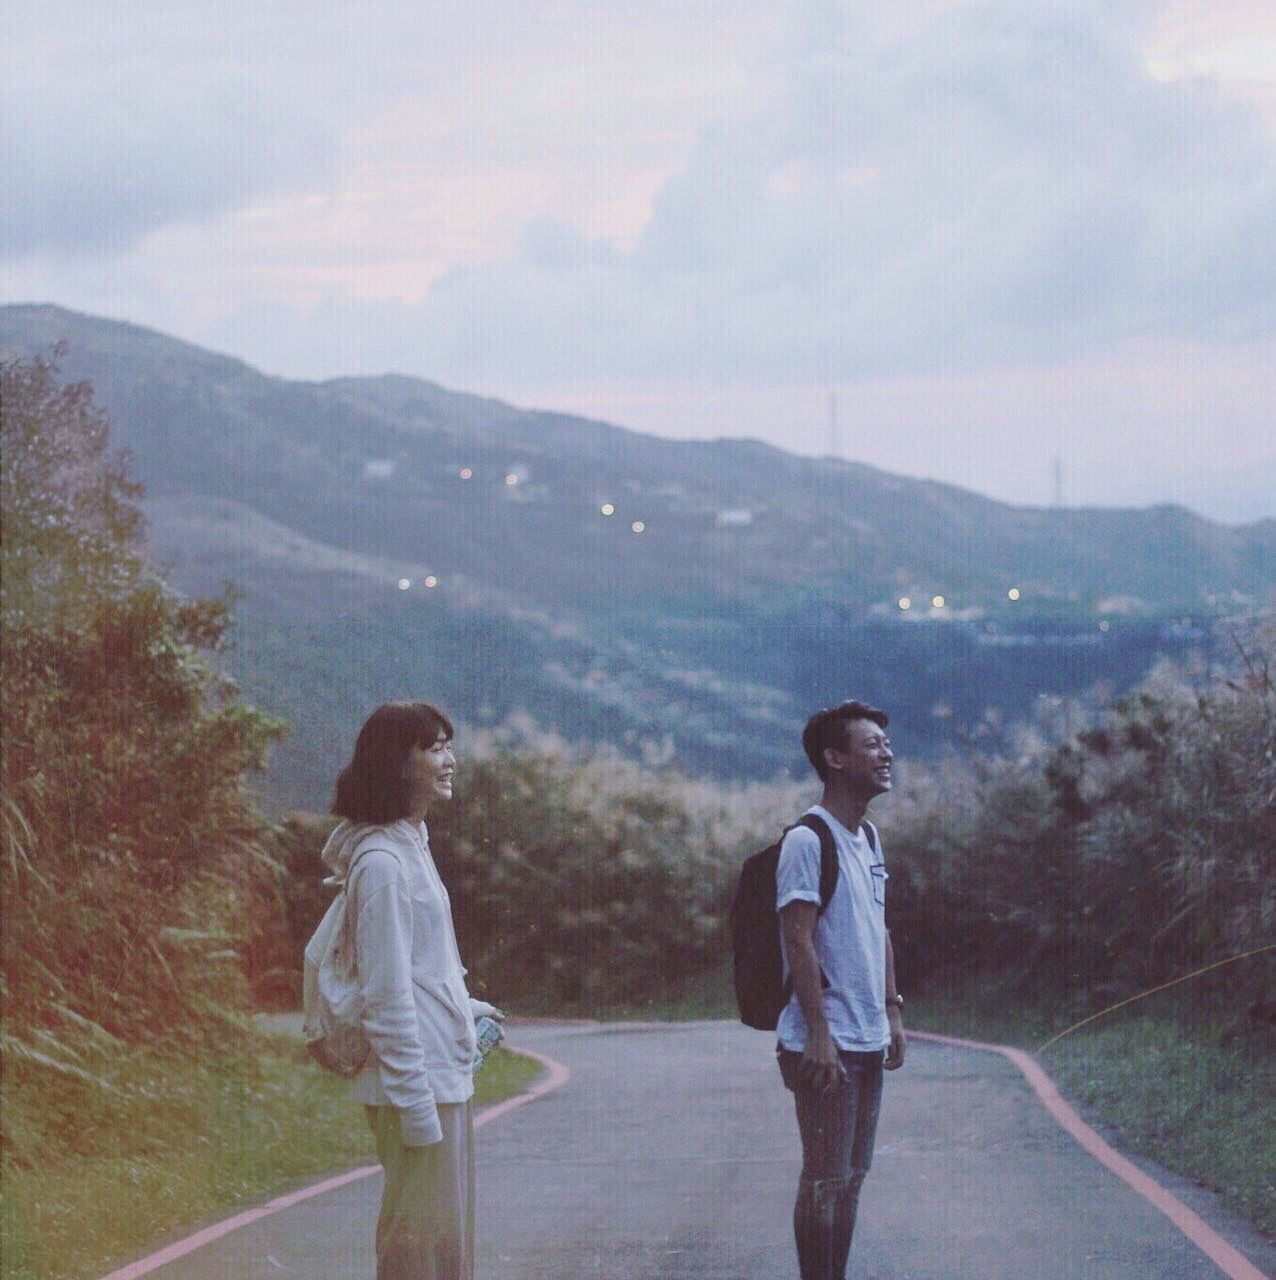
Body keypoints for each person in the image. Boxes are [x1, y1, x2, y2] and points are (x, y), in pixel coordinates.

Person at [322, 701, 499, 1280]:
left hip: (438, 1076)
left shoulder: (409, 845)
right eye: (435, 748)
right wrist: (417, 1108)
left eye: (447, 745)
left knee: (443, 1246)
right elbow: (386, 996)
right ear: (397, 763)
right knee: (416, 1248)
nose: (449, 760)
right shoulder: (382, 864)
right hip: (415, 1088)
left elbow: (424, 969)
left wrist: (465, 1010)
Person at [776, 700, 906, 1280]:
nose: (886, 753)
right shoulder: (808, 840)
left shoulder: (868, 837)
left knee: (850, 1181)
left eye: (885, 743)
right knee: (826, 1181)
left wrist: (892, 1012)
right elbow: (798, 942)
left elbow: (877, 930)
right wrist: (819, 1037)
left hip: (868, 1036)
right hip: (824, 1043)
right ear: (834, 758)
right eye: (872, 744)